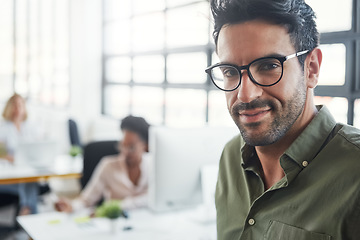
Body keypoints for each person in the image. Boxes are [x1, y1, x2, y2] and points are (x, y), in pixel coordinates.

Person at [205, 0, 360, 239]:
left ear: (311, 69)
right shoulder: (230, 157)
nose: (245, 95)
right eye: (230, 72)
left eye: (268, 66)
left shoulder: (354, 172)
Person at [55, 115, 150, 212]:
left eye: (131, 147)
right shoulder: (108, 166)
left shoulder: (153, 166)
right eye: (123, 146)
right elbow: (86, 200)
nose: (125, 152)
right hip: (115, 223)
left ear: (145, 146)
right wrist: (72, 206)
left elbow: (153, 198)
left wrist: (121, 205)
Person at [0, 93, 41, 215]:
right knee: (28, 183)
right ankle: (29, 213)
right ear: (9, 108)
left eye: (20, 105)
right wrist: (16, 159)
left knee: (29, 180)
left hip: (27, 169)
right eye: (15, 105)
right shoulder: (3, 128)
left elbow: (37, 147)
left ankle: (26, 211)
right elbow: (1, 154)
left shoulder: (30, 127)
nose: (18, 109)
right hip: (9, 175)